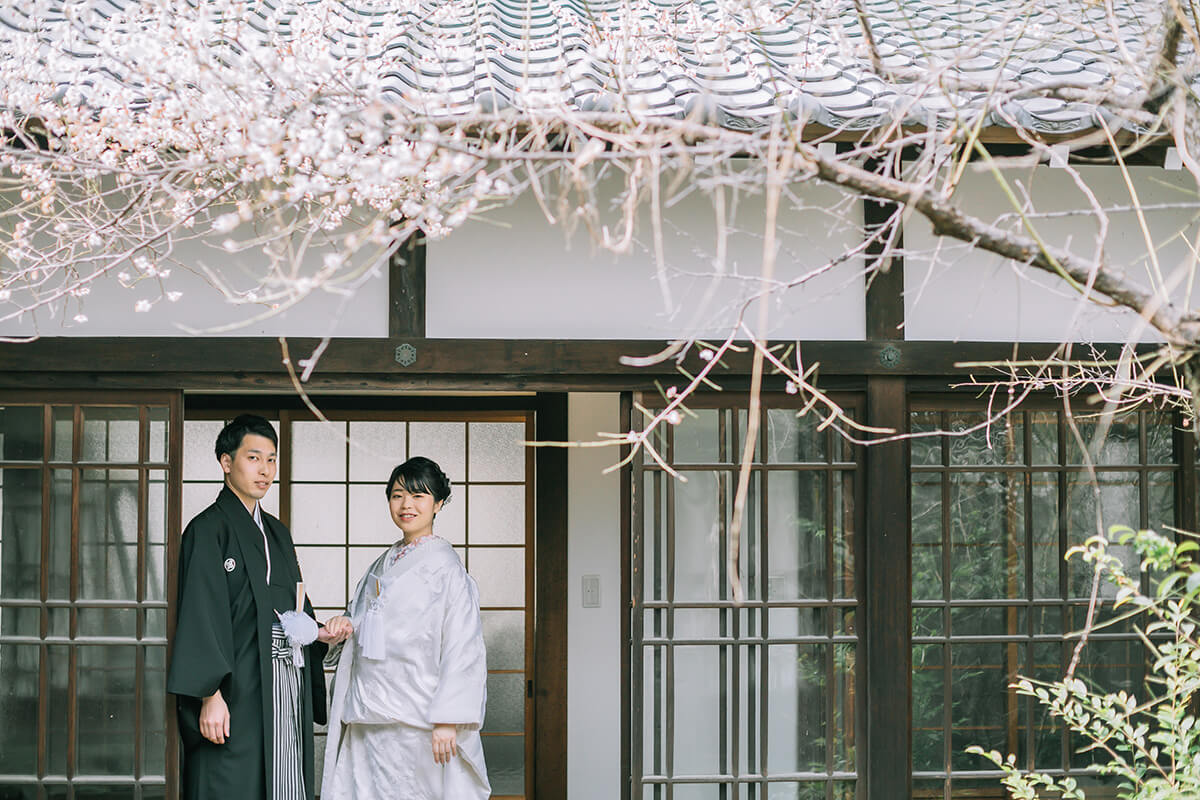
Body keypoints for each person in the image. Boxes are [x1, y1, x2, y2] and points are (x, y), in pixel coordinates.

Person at [167, 414, 353, 800]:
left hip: (284, 681)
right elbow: (200, 612)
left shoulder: (277, 533)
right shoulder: (208, 529)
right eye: (254, 458)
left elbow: (293, 610)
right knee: (230, 778)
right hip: (236, 687)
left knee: (283, 779)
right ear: (226, 462)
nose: (265, 470)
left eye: (271, 460)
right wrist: (209, 694)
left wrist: (322, 633)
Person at [323, 456, 490, 799]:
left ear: (438, 503)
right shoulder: (381, 564)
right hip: (369, 710)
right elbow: (365, 621)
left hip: (418, 714)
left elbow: (463, 647)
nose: (406, 505)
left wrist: (448, 718)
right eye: (398, 495)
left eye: (419, 495)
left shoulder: (447, 570)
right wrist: (346, 626)